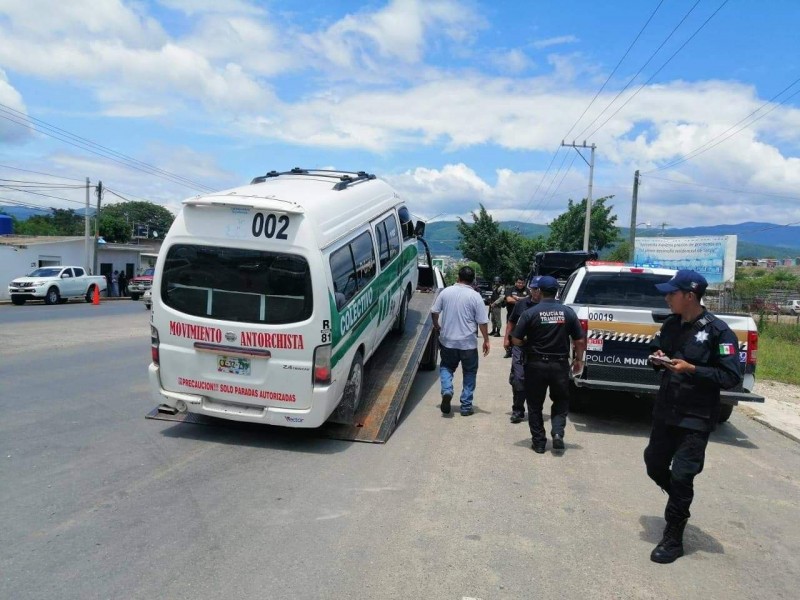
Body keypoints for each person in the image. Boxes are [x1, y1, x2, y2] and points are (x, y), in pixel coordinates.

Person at [644, 270, 742, 564]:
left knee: (684, 475)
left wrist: (692, 370)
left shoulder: (719, 332)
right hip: (666, 410)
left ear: (690, 295)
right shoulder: (672, 324)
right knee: (654, 464)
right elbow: (656, 345)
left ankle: (673, 537)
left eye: (671, 293)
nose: (666, 297)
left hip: (695, 417)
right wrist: (658, 356)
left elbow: (730, 376)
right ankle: (679, 500)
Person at [511, 275, 586, 454]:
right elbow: (580, 340)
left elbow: (515, 339)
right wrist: (579, 360)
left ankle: (539, 442)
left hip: (535, 364)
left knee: (535, 404)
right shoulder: (567, 312)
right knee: (560, 400)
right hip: (560, 365)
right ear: (557, 291)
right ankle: (558, 433)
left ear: (539, 291)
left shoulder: (530, 313)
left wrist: (526, 343)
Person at [430, 266, 490, 416]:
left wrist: (437, 325)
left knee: (446, 367)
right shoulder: (475, 296)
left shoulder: (446, 292)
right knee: (469, 372)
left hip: (448, 341)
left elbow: (434, 311)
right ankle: (466, 406)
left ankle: (447, 390)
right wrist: (486, 340)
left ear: (458, 277)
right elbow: (482, 321)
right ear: (473, 281)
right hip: (467, 343)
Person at [505, 276, 542, 423]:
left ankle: (534, 411)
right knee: (518, 379)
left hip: (538, 349)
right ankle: (518, 409)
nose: (536, 292)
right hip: (519, 346)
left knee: (535, 382)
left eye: (539, 290)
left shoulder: (548, 307)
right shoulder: (521, 304)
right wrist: (506, 338)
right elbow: (511, 322)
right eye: (534, 289)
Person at [503, 277, 528, 357]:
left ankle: (521, 350)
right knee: (509, 333)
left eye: (522, 283)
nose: (520, 284)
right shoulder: (510, 290)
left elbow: (530, 299)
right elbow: (509, 299)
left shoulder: (527, 290)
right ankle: (509, 350)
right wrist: (522, 300)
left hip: (522, 317)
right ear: (515, 283)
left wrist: (517, 299)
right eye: (519, 282)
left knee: (522, 334)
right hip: (512, 316)